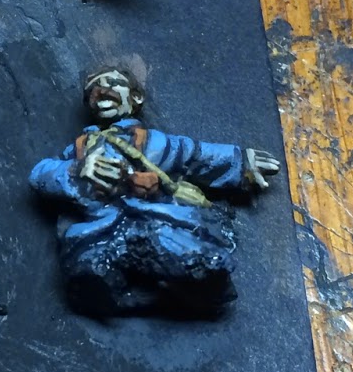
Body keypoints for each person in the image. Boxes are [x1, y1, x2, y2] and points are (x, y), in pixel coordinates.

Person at [29, 64, 279, 316]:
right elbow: (40, 174)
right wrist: (76, 169)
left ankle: (198, 286)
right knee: (88, 272)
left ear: (136, 98)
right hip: (98, 229)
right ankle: (130, 297)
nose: (102, 90)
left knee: (189, 258)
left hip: (153, 220)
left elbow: (195, 155)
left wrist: (241, 162)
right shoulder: (81, 148)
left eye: (113, 83)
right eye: (94, 88)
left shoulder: (152, 142)